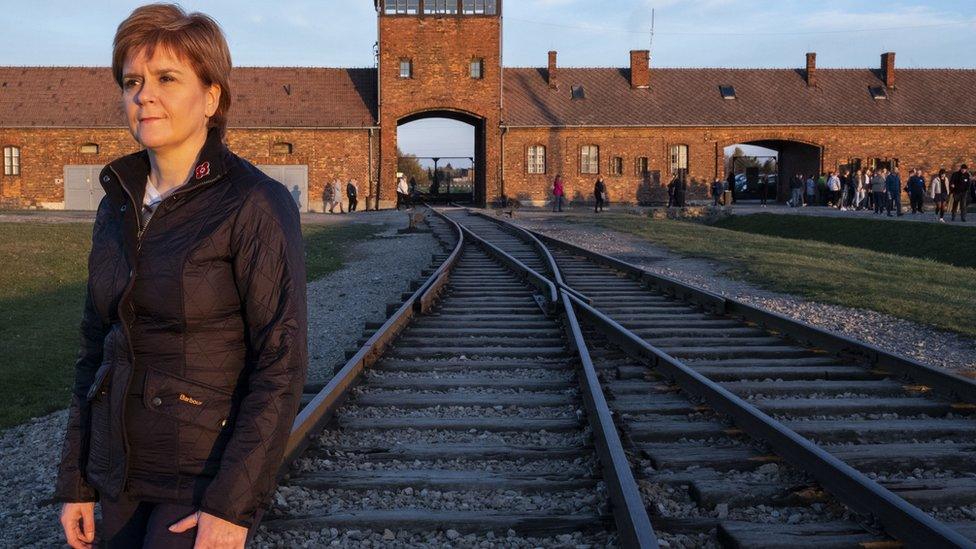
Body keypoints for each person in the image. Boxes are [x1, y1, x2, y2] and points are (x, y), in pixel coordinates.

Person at [54, 5, 308, 549]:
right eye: (132, 81)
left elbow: (281, 362)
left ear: (211, 97)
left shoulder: (253, 204)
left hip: (200, 474)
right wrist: (76, 479)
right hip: (119, 469)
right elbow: (95, 347)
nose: (144, 95)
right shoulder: (117, 203)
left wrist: (232, 507)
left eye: (166, 78)